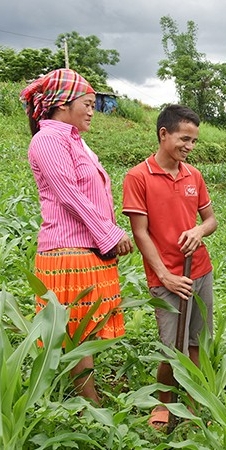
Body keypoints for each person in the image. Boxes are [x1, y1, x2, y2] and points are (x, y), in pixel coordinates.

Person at [20, 68, 133, 405]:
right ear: (63, 104)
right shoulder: (47, 140)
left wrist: (105, 238)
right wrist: (109, 234)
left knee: (86, 328)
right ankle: (87, 401)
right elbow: (69, 195)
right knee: (78, 331)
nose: (91, 110)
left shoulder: (74, 141)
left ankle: (84, 393)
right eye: (87, 103)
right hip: (68, 249)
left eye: (94, 105)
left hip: (87, 249)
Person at [122, 104, 217, 429]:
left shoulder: (194, 175)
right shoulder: (138, 177)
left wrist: (198, 230)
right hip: (167, 278)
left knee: (196, 342)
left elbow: (211, 220)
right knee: (170, 345)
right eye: (184, 139)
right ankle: (163, 403)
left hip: (200, 270)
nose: (189, 147)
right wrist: (165, 275)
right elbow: (140, 232)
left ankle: (191, 400)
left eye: (193, 141)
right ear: (164, 134)